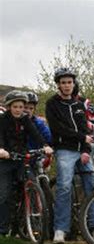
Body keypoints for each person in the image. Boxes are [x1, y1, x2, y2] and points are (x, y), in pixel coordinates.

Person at [45, 68, 94, 243]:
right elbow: (57, 128)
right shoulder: (52, 104)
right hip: (64, 150)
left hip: (81, 151)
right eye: (63, 83)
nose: (67, 85)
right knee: (64, 187)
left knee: (93, 184)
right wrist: (82, 138)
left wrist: (85, 150)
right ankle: (60, 230)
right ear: (58, 85)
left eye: (69, 82)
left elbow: (85, 129)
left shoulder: (78, 105)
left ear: (73, 84)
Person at [0, 91, 53, 236]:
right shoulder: (3, 119)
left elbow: (35, 133)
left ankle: (33, 223)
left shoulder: (25, 119)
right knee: (4, 195)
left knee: (32, 184)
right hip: (6, 159)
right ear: (9, 107)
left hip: (22, 158)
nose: (18, 109)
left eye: (21, 107)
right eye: (15, 106)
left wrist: (44, 145)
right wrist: (1, 149)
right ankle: (3, 230)